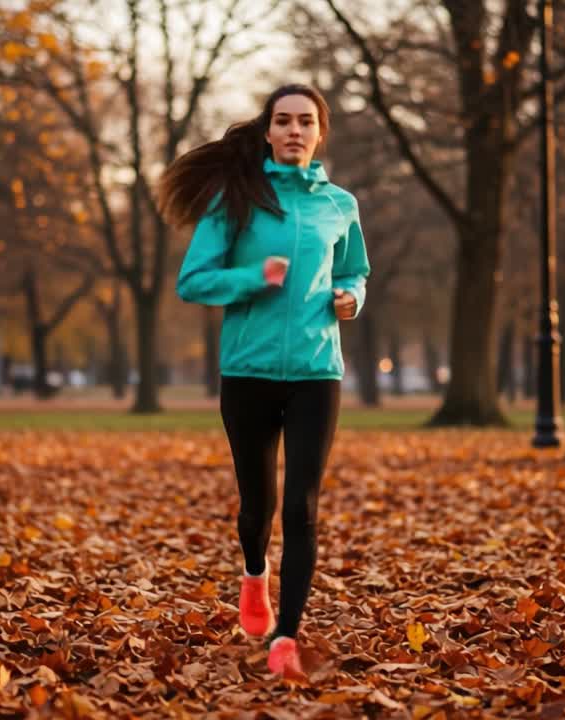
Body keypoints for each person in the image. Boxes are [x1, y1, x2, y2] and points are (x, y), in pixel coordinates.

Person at [161, 84, 370, 680]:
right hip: (247, 372)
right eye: (284, 121)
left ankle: (286, 636)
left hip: (316, 372)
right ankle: (255, 574)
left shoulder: (340, 205)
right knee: (259, 506)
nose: (295, 130)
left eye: (307, 121)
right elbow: (194, 281)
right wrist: (253, 278)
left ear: (320, 132)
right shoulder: (238, 199)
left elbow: (356, 268)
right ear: (269, 132)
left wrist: (351, 296)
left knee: (303, 507)